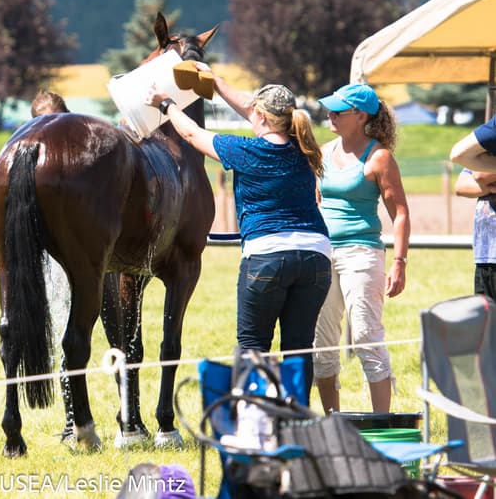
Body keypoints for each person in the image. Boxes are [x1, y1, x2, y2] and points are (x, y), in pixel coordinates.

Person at [145, 63, 332, 398]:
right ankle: (296, 419)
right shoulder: (302, 147)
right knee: (299, 347)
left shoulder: (246, 151)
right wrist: (215, 81)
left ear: (260, 116)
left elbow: (192, 135)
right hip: (316, 256)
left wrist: (166, 104)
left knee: (253, 345)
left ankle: (255, 418)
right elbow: (253, 110)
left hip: (266, 257)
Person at [312, 83, 410, 415]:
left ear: (361, 116)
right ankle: (333, 421)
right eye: (330, 109)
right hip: (323, 254)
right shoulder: (323, 153)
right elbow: (316, 202)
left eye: (338, 111)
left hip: (362, 254)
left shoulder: (379, 157)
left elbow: (400, 213)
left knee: (366, 335)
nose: (330, 114)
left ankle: (382, 423)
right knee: (322, 343)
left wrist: (399, 262)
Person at [454, 168, 496, 300]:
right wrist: (490, 188)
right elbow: (461, 187)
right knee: (486, 312)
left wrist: (483, 182)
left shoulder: (481, 161)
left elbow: (480, 175)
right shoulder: (484, 157)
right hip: (485, 256)